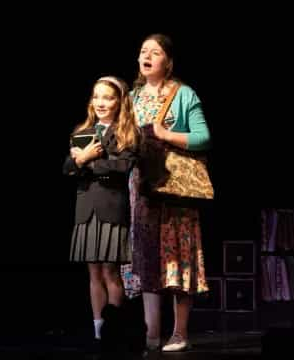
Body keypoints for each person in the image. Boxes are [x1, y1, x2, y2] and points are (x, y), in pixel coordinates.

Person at [125, 33, 211, 352]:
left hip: (175, 189)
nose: (147, 56)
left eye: (155, 52)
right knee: (147, 258)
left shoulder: (183, 94)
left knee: (178, 256)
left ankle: (179, 332)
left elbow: (204, 137)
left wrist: (166, 134)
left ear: (168, 61)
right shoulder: (132, 97)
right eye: (143, 51)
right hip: (143, 188)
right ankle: (151, 334)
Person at [63, 76, 140, 341]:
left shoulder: (126, 133)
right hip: (86, 209)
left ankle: (114, 328)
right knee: (93, 271)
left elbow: (122, 167)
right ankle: (98, 330)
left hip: (111, 208)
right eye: (97, 97)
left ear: (119, 102)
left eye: (107, 97)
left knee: (110, 271)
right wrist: (81, 159)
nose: (101, 103)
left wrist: (89, 162)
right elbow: (68, 168)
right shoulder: (84, 131)